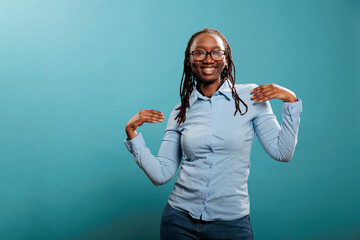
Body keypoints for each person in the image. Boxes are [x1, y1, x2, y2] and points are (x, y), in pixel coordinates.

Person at [124, 28, 302, 240]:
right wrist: (132, 133)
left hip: (231, 225)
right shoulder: (180, 112)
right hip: (178, 222)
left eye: (216, 52)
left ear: (226, 58)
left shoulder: (251, 97)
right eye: (199, 52)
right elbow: (160, 174)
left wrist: (290, 101)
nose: (208, 59)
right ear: (190, 60)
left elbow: (283, 152)